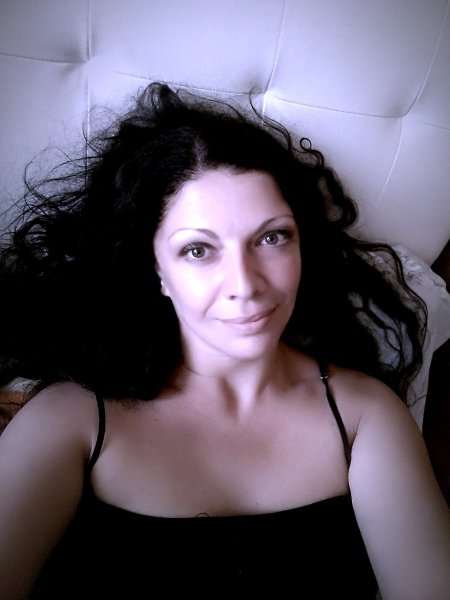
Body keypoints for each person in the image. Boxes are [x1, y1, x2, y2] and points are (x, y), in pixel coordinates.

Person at [0, 82, 448, 599]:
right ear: (156, 269)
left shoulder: (363, 414)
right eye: (198, 250)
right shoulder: (69, 421)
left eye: (272, 238)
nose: (246, 284)